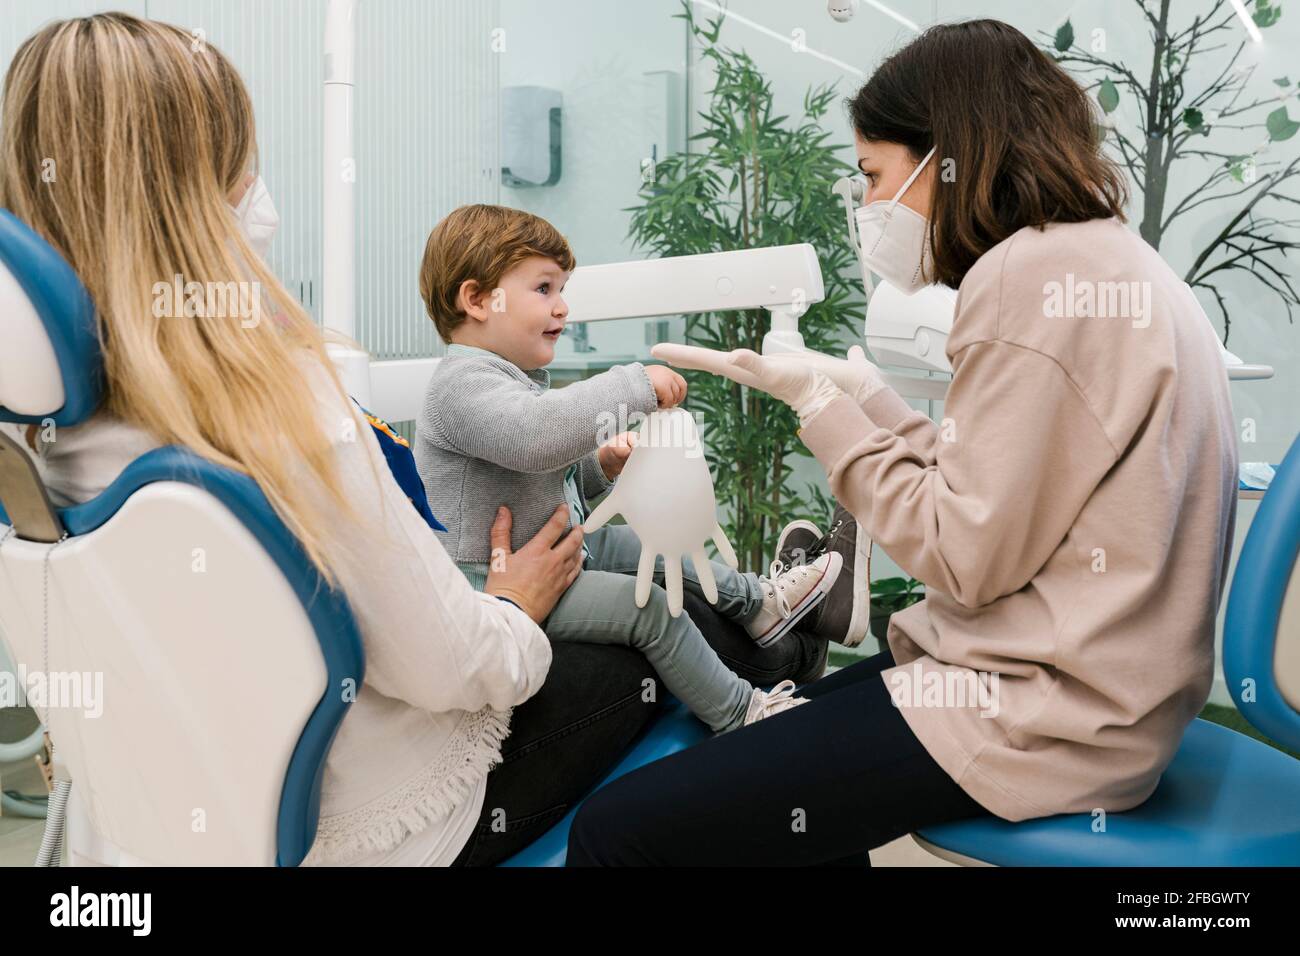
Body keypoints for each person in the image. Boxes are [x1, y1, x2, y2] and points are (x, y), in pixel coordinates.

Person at [0, 12, 828, 868]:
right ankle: (798, 648)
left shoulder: (40, 442)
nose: (259, 185)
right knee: (687, 622)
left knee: (668, 598)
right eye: (245, 160)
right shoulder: (275, 411)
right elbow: (455, 667)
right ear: (195, 198)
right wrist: (511, 606)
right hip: (390, 821)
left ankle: (790, 639)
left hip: (174, 823)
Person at [567, 18, 1239, 866]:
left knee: (615, 833)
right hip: (1098, 699)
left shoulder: (1024, 278)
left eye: (874, 175)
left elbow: (960, 553)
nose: (869, 205)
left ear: (949, 154)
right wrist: (871, 399)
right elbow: (1003, 489)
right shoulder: (1107, 262)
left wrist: (825, 411)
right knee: (778, 769)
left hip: (1037, 712)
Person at [414, 204, 843, 735]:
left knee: (642, 548)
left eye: (562, 290)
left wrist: (599, 468)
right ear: (477, 299)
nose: (563, 308)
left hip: (552, 552)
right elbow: (535, 437)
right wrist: (633, 384)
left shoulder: (507, 378)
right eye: (544, 289)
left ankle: (760, 604)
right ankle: (742, 713)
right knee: (649, 608)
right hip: (486, 589)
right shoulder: (460, 385)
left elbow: (545, 477)